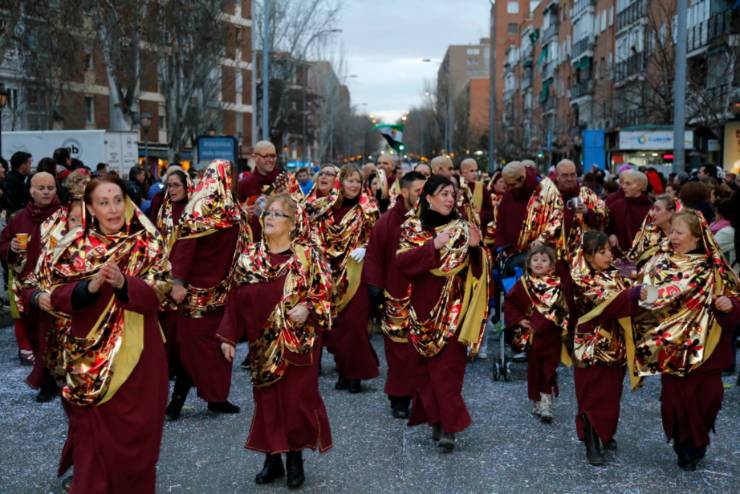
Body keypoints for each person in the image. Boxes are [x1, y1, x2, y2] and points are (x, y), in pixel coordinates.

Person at [34, 175, 171, 493]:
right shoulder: (73, 247)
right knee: (92, 447)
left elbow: (161, 293)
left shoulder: (147, 243)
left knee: (140, 443)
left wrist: (125, 284)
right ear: (91, 209)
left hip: (141, 359)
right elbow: (53, 294)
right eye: (103, 202)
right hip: (89, 361)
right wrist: (88, 288)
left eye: (117, 200)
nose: (112, 209)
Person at [218, 194, 333, 489]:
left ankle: (295, 458)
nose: (269, 217)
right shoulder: (249, 257)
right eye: (267, 212)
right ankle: (272, 459)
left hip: (299, 345)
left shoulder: (307, 257)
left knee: (296, 402)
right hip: (261, 344)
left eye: (278, 214)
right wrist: (228, 336)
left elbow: (325, 293)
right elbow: (234, 298)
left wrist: (308, 308)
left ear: (293, 223)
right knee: (266, 401)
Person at [630, 209, 740, 470]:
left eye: (679, 233)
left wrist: (729, 305)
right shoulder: (660, 263)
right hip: (673, 348)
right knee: (675, 403)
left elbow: (735, 301)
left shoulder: (715, 269)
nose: (674, 238)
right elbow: (649, 298)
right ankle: (684, 447)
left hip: (708, 350)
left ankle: (698, 438)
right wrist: (641, 294)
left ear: (697, 237)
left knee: (709, 400)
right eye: (672, 232)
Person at [396, 175, 489, 453]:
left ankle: (449, 428)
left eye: (452, 194)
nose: (450, 199)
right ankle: (436, 419)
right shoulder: (412, 227)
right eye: (444, 194)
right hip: (422, 309)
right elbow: (402, 263)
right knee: (422, 371)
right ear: (428, 198)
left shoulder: (463, 227)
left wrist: (476, 248)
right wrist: (432, 246)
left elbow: (478, 271)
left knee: (448, 371)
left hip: (454, 308)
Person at [166, 160, 248, 420]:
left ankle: (217, 397)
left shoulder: (232, 206)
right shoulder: (200, 207)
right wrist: (178, 281)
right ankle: (177, 401)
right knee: (192, 349)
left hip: (224, 290)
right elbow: (185, 246)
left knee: (220, 345)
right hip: (196, 292)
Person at [571, 231, 644, 466]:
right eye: (602, 252)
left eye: (609, 251)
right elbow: (608, 304)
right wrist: (634, 294)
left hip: (616, 346)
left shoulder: (616, 274)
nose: (608, 256)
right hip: (590, 347)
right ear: (588, 256)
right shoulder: (581, 279)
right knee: (591, 394)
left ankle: (604, 432)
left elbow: (634, 299)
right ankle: (591, 441)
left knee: (611, 394)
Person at [309, 165, 379, 393]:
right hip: (329, 273)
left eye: (358, 181)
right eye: (350, 180)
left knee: (354, 325)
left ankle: (356, 374)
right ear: (341, 183)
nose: (354, 185)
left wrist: (367, 248)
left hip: (358, 274)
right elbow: (312, 234)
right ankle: (344, 370)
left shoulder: (367, 208)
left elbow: (378, 237)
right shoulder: (325, 207)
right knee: (336, 327)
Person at [364, 171, 426, 419]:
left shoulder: (433, 218)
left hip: (427, 296)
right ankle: (399, 397)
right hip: (396, 294)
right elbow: (374, 256)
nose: (422, 195)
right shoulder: (386, 222)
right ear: (404, 191)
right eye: (418, 191)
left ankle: (425, 397)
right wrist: (374, 287)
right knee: (398, 351)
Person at [0, 172, 65, 373]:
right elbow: (2, 244)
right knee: (27, 323)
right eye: (41, 188)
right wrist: (11, 246)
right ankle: (31, 355)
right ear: (31, 191)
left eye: (50, 188)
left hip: (56, 281)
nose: (46, 192)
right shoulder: (19, 218)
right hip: (25, 281)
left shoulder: (65, 216)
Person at [504, 245, 569, 424]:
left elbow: (563, 308)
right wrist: (519, 320)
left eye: (544, 260)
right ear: (528, 263)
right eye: (535, 260)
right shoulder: (524, 283)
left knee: (549, 368)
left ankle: (546, 400)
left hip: (551, 333)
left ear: (552, 265)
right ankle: (536, 398)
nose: (539, 263)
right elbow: (510, 302)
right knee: (534, 368)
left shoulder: (557, 285)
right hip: (532, 335)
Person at [154, 168, 190, 379]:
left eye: (177, 185)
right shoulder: (163, 209)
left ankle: (183, 367)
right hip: (163, 269)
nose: (173, 189)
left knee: (180, 325)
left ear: (186, 187)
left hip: (184, 273)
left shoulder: (192, 210)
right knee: (165, 322)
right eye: (169, 185)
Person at [238, 141, 305, 240]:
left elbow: (302, 209)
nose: (271, 160)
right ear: (255, 158)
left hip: (282, 241)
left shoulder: (287, 180)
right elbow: (236, 213)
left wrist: (289, 200)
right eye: (266, 156)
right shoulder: (244, 183)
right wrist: (243, 211)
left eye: (273, 156)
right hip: (255, 241)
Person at [606, 170, 653, 257]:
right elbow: (606, 223)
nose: (623, 187)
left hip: (645, 256)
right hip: (619, 255)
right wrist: (611, 234)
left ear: (640, 186)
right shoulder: (616, 206)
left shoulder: (651, 208)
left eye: (628, 184)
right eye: (623, 183)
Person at [626, 194, 681, 268]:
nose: (653, 213)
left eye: (658, 209)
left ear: (671, 212)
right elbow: (636, 259)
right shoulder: (648, 232)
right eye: (653, 209)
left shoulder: (682, 233)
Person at [458, 158, 493, 230]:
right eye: (471, 171)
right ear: (462, 173)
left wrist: (475, 216)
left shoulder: (481, 187)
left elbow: (490, 212)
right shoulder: (456, 187)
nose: (475, 174)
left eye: (476, 170)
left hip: (478, 230)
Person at [3, 151, 32, 215]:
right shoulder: (11, 181)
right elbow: (10, 205)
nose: (30, 167)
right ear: (23, 165)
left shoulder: (18, 179)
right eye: (29, 163)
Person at [711, 199, 735, 266]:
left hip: (727, 269)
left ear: (719, 214)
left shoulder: (726, 232)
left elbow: (709, 249)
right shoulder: (730, 228)